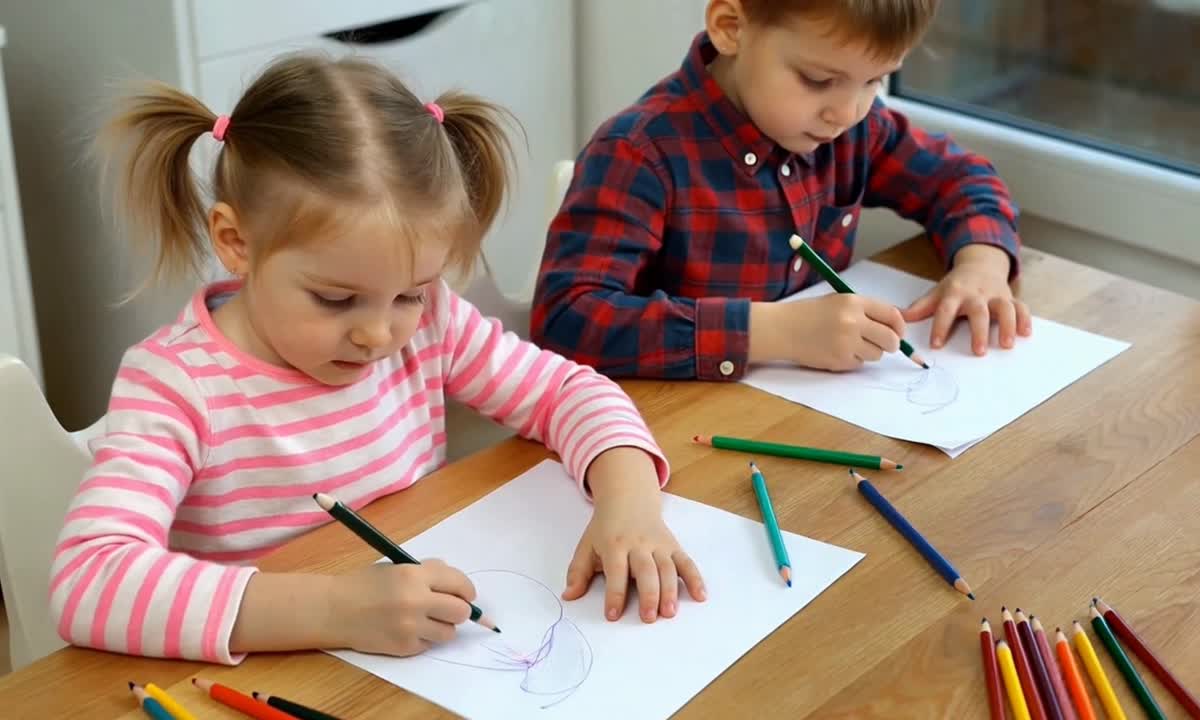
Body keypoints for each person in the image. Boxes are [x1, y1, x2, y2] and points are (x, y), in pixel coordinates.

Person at [50, 53, 704, 665]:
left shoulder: (432, 323)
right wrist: (335, 608)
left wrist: (629, 501)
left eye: (409, 294)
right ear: (235, 241)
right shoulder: (176, 385)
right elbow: (89, 580)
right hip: (278, 676)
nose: (379, 335)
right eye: (336, 299)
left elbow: (567, 392)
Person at [532, 0, 1032, 381]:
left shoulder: (854, 129)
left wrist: (982, 265)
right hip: (668, 436)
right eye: (818, 80)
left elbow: (962, 179)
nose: (847, 112)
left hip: (801, 417)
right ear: (731, 28)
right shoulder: (640, 154)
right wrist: (775, 333)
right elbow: (566, 319)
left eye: (875, 81)